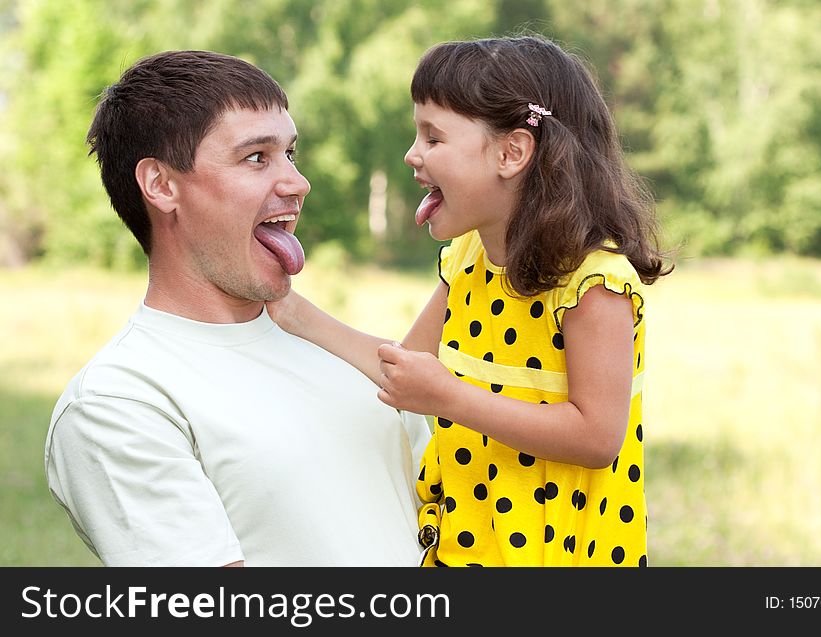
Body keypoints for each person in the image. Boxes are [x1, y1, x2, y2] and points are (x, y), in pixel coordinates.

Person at [269, 35, 673, 567]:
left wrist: (451, 399)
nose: (412, 154)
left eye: (433, 138)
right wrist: (292, 311)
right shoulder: (468, 259)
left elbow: (597, 436)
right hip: (467, 551)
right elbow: (404, 369)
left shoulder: (594, 284)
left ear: (512, 153)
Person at [44, 50, 430, 567]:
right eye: (256, 157)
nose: (297, 182)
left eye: (292, 153)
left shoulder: (338, 350)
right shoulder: (118, 402)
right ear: (161, 185)